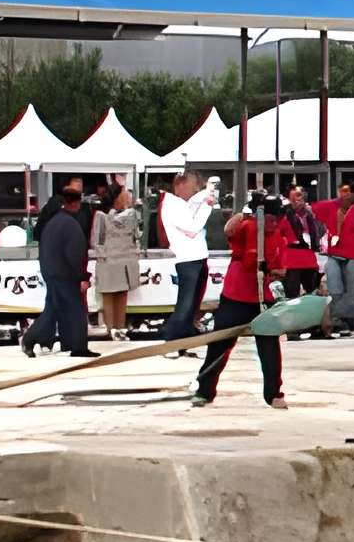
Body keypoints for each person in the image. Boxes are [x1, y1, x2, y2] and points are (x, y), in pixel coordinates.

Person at [193, 202, 287, 407]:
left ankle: (274, 394)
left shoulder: (279, 236)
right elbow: (228, 229)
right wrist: (247, 212)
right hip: (236, 295)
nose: (272, 223)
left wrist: (269, 270)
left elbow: (282, 269)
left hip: (263, 297)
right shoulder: (247, 226)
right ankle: (204, 390)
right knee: (219, 345)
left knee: (269, 347)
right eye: (269, 219)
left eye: (276, 219)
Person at [30, 181, 94, 357]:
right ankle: (77, 346)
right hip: (66, 274)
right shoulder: (71, 224)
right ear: (75, 203)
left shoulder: (52, 221)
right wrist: (83, 276)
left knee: (55, 309)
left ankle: (64, 343)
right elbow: (76, 254)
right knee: (75, 311)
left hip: (51, 272)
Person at [158, 171, 216, 338]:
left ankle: (185, 339)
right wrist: (207, 206)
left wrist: (205, 195)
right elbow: (191, 229)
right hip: (187, 259)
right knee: (186, 304)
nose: (196, 189)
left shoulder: (181, 203)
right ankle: (172, 338)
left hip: (197, 257)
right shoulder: (172, 205)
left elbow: (194, 203)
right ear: (180, 185)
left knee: (192, 305)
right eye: (193, 186)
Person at [89, 183, 145, 341]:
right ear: (117, 196)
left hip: (127, 259)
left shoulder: (132, 214)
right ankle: (110, 329)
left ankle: (121, 328)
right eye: (125, 193)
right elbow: (97, 239)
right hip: (108, 260)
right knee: (109, 294)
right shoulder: (101, 215)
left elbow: (137, 236)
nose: (128, 195)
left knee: (122, 293)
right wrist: (102, 256)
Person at [320, 180, 354, 334]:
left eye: (347, 191)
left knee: (351, 289)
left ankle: (352, 320)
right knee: (335, 287)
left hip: (353, 253)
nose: (344, 195)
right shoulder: (334, 208)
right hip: (335, 253)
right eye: (341, 191)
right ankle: (338, 319)